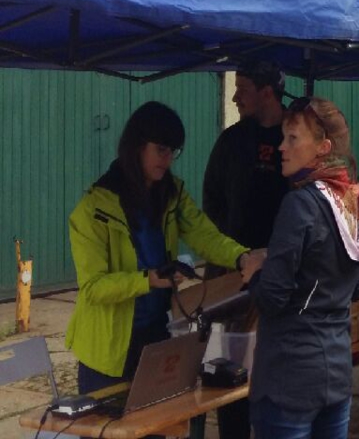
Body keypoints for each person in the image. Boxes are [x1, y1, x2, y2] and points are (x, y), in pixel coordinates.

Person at [66, 102, 251, 393]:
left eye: (173, 151)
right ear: (137, 146)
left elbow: (206, 236)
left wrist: (241, 257)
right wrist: (147, 280)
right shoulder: (92, 210)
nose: (167, 160)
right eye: (161, 150)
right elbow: (93, 288)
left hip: (157, 337)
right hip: (107, 354)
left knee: (158, 428)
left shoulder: (171, 193)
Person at [239, 96, 359, 439]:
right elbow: (356, 286)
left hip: (289, 378)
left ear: (323, 147)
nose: (281, 147)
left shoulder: (299, 205)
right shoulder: (355, 199)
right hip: (336, 374)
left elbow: (272, 297)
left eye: (292, 138)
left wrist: (256, 271)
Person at [203, 59, 291, 439]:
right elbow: (211, 208)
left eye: (243, 88)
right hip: (233, 283)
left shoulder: (295, 138)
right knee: (228, 379)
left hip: (282, 286)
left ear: (267, 92)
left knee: (276, 384)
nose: (236, 96)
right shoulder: (231, 141)